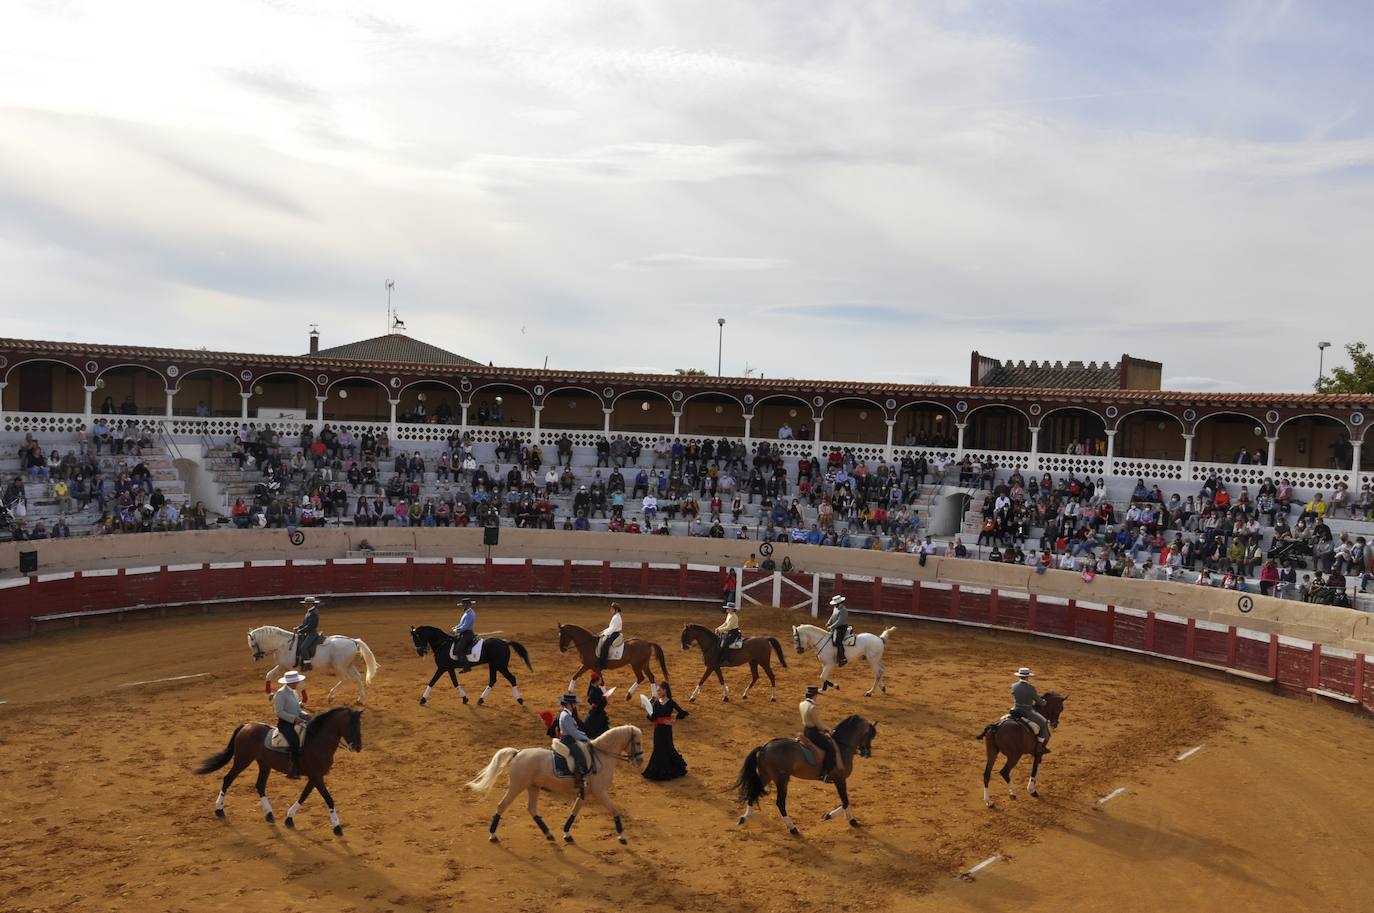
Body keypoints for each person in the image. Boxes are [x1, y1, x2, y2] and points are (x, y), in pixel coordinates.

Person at [640, 682, 689, 781]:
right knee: (658, 749)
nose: (658, 692)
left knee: (668, 747)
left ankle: (672, 770)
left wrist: (672, 720)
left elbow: (683, 713)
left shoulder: (671, 702)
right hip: (658, 730)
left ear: (665, 691)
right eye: (657, 690)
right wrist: (646, 709)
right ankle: (658, 771)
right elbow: (653, 718)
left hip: (667, 730)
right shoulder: (656, 703)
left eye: (659, 690)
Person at [274, 670, 311, 779]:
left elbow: (297, 710)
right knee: (295, 742)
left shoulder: (294, 692)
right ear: (289, 682)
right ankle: (292, 770)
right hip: (285, 724)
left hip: (296, 721)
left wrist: (306, 715)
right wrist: (294, 719)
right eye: (295, 682)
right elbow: (279, 712)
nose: (297, 684)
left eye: (297, 682)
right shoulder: (281, 693)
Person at [799, 685, 837, 781]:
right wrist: (829, 730)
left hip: (805, 731)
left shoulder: (801, 704)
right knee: (830, 750)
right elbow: (819, 725)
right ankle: (824, 774)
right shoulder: (812, 707)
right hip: (813, 734)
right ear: (814, 695)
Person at [1010, 667, 1051, 754]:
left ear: (1019, 676)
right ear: (1028, 677)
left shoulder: (1014, 686)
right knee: (1044, 723)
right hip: (1027, 711)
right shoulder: (1031, 688)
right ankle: (1039, 747)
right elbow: (1040, 702)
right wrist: (1044, 702)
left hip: (1015, 710)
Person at [557, 693, 592, 795]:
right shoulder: (566, 716)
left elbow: (575, 731)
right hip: (568, 740)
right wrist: (586, 739)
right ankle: (578, 781)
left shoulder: (567, 714)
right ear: (569, 704)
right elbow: (573, 732)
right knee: (580, 756)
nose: (575, 706)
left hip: (570, 738)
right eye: (574, 704)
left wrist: (584, 735)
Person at [293, 597, 321, 669]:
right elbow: (305, 624)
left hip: (312, 634)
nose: (304, 605)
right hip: (308, 633)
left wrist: (301, 631)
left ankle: (308, 664)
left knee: (303, 647)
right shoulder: (310, 612)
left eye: (306, 604)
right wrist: (298, 627)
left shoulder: (313, 613)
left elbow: (311, 626)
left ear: (310, 604)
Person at [584, 672, 614, 739]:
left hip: (594, 712)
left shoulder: (592, 690)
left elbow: (591, 701)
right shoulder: (596, 691)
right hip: (598, 713)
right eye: (600, 679)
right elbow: (601, 704)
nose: (601, 680)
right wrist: (605, 698)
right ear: (597, 681)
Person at [452, 597, 477, 672]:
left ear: (467, 605)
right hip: (464, 633)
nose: (462, 607)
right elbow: (461, 624)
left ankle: (466, 667)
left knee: (458, 650)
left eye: (463, 605)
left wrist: (457, 630)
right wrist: (455, 627)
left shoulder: (470, 614)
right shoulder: (467, 613)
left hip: (467, 635)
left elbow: (465, 627)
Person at [597, 602, 623, 670]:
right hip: (612, 633)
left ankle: (603, 664)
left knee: (605, 646)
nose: (610, 610)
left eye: (612, 609)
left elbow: (612, 629)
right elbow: (610, 627)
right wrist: (602, 631)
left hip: (614, 634)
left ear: (616, 610)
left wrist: (603, 634)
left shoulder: (617, 617)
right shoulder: (615, 616)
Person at [826, 594, 849, 667]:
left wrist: (831, 626)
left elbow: (840, 621)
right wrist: (829, 622)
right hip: (836, 627)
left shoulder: (843, 610)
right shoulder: (835, 608)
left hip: (841, 628)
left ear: (839, 603)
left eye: (835, 604)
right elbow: (832, 616)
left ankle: (842, 658)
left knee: (838, 641)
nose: (834, 605)